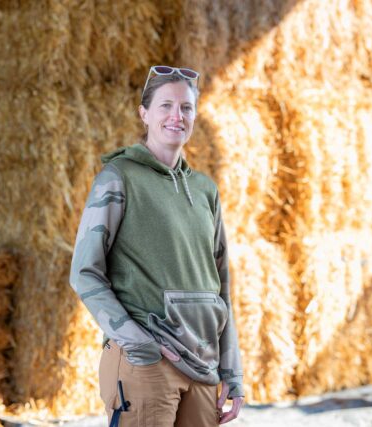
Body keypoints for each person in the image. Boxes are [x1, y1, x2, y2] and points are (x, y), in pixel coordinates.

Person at [70, 65, 245, 426]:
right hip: (146, 363)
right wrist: (137, 342)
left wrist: (233, 372)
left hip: (202, 366)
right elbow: (84, 273)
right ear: (144, 114)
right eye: (166, 106)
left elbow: (221, 287)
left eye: (186, 108)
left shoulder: (205, 190)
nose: (176, 116)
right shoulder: (118, 178)